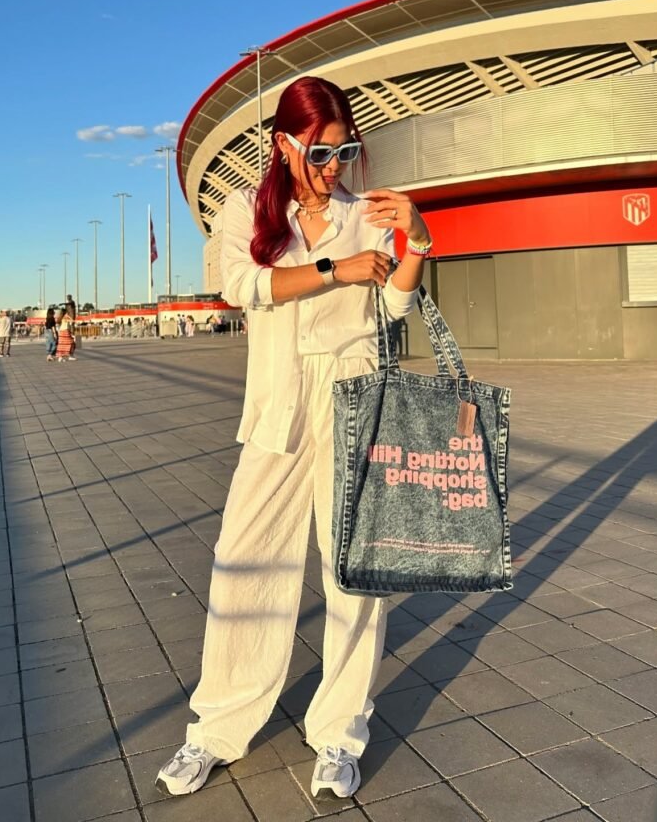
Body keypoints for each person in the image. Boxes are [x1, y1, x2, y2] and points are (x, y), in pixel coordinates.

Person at [156, 76, 433, 801]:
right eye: (319, 151)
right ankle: (217, 728)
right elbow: (242, 287)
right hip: (278, 406)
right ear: (284, 144)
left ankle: (339, 731)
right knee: (244, 563)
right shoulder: (245, 209)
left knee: (353, 573)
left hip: (353, 398)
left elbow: (394, 305)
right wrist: (332, 270)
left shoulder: (364, 214)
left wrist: (417, 237)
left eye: (345, 150)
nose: (333, 166)